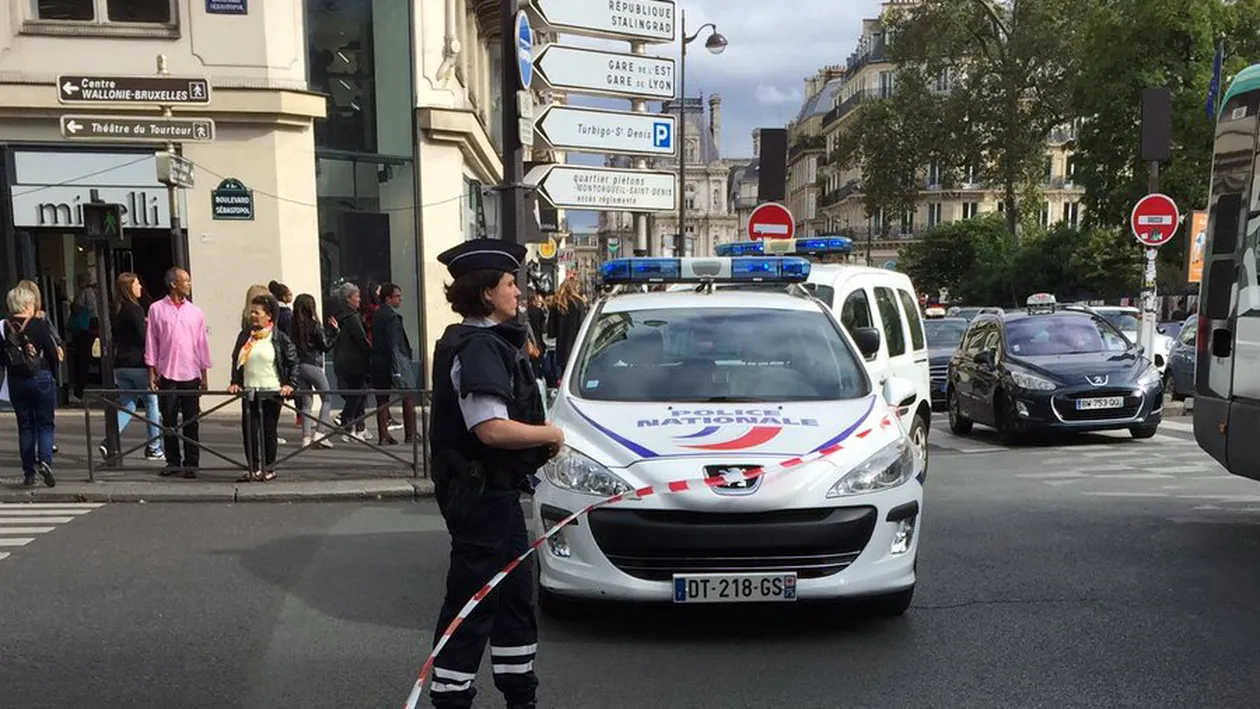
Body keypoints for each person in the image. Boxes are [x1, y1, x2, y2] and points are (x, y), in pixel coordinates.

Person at [427, 239, 564, 709]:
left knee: (513, 600)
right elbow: (490, 429)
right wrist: (551, 434)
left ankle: (519, 695)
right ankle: (452, 698)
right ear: (486, 292)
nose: (517, 293)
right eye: (510, 284)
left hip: (495, 495)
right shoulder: (480, 345)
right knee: (472, 604)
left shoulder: (485, 341)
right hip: (480, 495)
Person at [145, 267, 212, 479]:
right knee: (169, 420)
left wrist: (204, 374)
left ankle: (192, 462)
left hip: (191, 372)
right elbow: (151, 341)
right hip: (167, 373)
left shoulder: (195, 312)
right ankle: (173, 462)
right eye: (186, 281)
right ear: (174, 284)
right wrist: (151, 371)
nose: (189, 285)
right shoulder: (156, 309)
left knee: (191, 421)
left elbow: (202, 344)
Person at [228, 294, 298, 482]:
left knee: (269, 430)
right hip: (250, 391)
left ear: (268, 316)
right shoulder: (245, 336)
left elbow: (292, 362)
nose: (252, 315)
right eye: (251, 311)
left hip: (271, 392)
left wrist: (290, 384)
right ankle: (253, 468)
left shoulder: (278, 338)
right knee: (249, 432)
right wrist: (235, 382)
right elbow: (236, 361)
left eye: (256, 312)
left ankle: (268, 468)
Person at [99, 272, 164, 461]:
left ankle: (109, 441)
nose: (140, 287)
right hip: (137, 363)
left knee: (128, 405)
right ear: (129, 288)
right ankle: (154, 446)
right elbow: (144, 337)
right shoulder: (135, 310)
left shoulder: (117, 310)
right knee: (152, 403)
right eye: (137, 284)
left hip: (121, 363)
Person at [2, 286, 59, 487]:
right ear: (27, 304)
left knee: (25, 426)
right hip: (41, 376)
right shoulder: (39, 324)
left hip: (16, 380)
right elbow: (52, 352)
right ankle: (45, 461)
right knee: (45, 423)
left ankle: (28, 473)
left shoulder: (3, 327)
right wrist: (54, 373)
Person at [289, 293, 338, 448]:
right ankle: (320, 433)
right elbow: (325, 346)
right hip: (313, 365)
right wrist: (335, 332)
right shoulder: (314, 325)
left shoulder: (292, 326)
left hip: (299, 366)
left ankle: (306, 437)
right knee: (328, 398)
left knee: (306, 403)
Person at [370, 282, 417, 444]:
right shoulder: (391, 317)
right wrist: (397, 369)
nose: (400, 299)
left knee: (382, 399)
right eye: (397, 296)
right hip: (393, 360)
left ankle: (384, 435)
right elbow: (394, 344)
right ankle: (410, 434)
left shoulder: (377, 315)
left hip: (379, 361)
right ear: (388, 299)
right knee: (408, 394)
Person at [331, 281, 371, 441]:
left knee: (358, 394)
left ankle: (359, 427)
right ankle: (347, 423)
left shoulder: (339, 316)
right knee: (358, 394)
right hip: (355, 362)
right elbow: (361, 339)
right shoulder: (352, 318)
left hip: (343, 361)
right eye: (357, 296)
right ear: (349, 298)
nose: (359, 300)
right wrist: (370, 353)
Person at [546, 276, 587, 379]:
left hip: (562, 349)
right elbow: (582, 325)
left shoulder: (557, 304)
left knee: (564, 376)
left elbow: (551, 331)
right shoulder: (579, 303)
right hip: (577, 347)